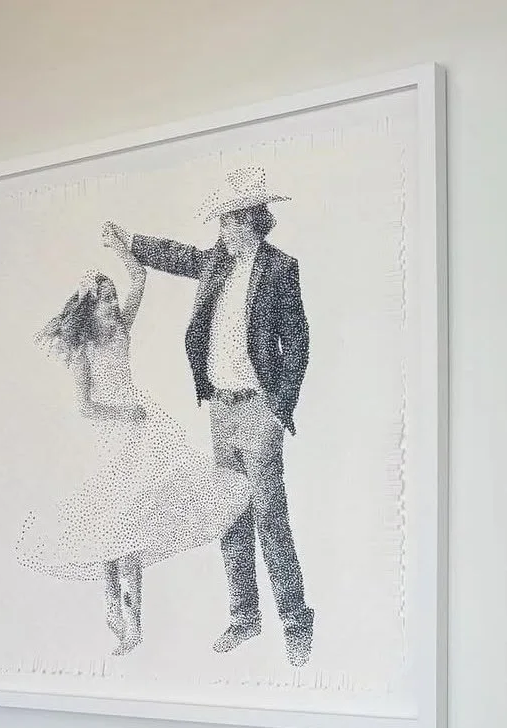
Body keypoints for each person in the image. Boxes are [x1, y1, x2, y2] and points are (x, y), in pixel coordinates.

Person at [103, 165, 315, 665]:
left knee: (270, 517)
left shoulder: (280, 269)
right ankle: (244, 617)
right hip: (220, 408)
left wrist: (279, 410)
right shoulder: (218, 262)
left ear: (249, 220)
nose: (221, 230)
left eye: (228, 221)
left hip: (259, 410)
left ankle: (295, 623)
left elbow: (298, 344)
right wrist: (132, 242)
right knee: (230, 515)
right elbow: (180, 256)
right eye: (221, 222)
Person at [16, 235, 250, 657]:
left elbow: (139, 278)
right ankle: (114, 612)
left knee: (132, 531)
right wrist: (123, 413)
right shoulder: (83, 349)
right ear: (88, 308)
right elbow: (85, 406)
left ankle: (134, 625)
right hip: (105, 439)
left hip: (138, 437)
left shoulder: (122, 329)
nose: (111, 304)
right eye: (103, 300)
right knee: (106, 534)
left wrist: (120, 246)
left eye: (112, 297)